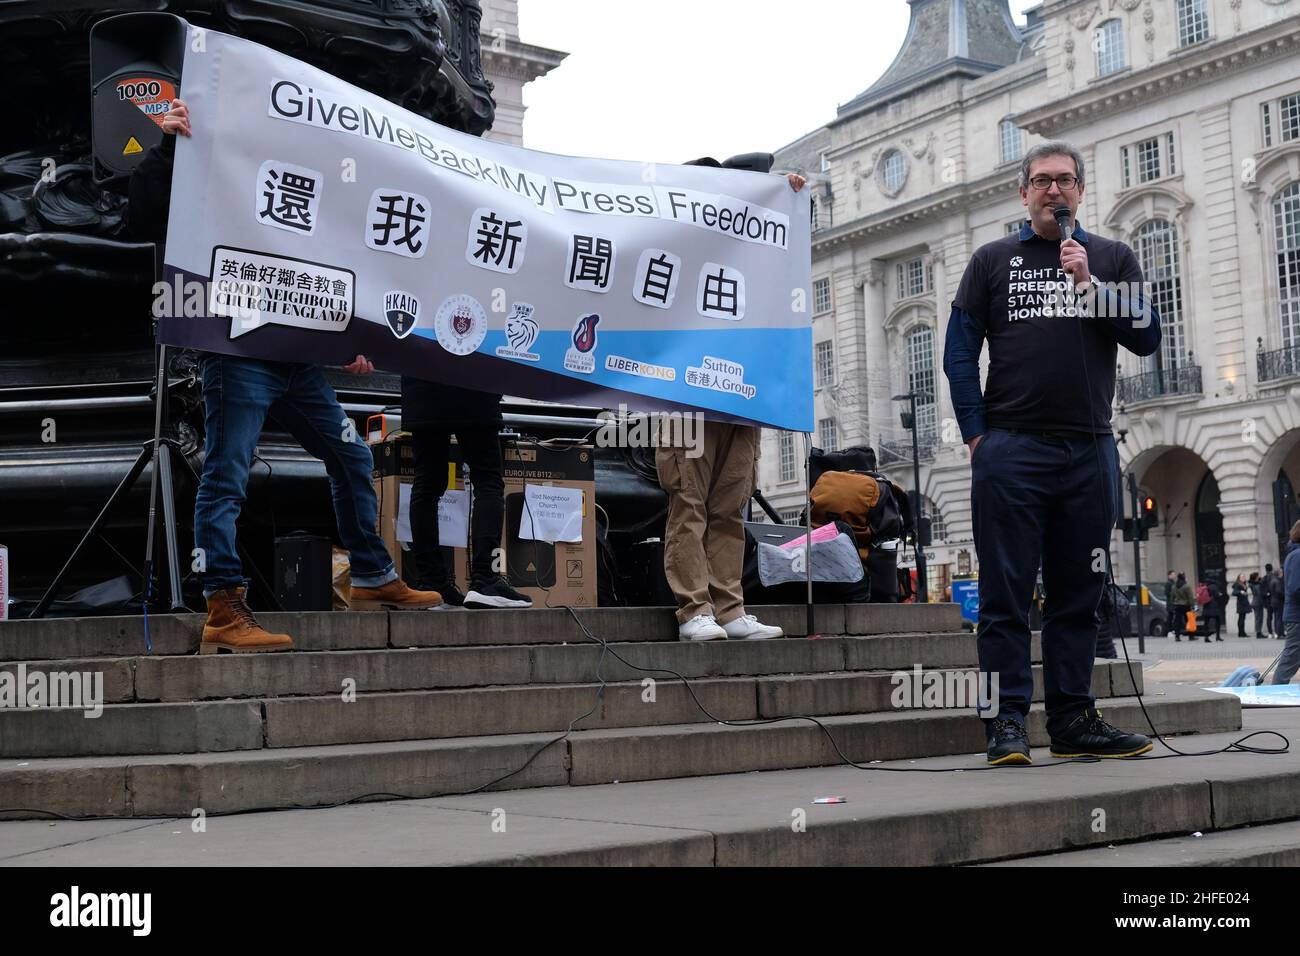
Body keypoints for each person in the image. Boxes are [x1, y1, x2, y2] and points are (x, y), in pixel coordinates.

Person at [129, 99, 442, 653]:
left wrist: (349, 340)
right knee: (226, 473)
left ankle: (370, 576)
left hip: (296, 362)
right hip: (235, 354)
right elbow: (143, 217)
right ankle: (223, 607)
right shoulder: (208, 166)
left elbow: (329, 267)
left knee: (351, 455)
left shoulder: (307, 189)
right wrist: (170, 145)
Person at [943, 141, 1160, 764]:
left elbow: (1146, 337)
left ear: (1081, 192)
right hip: (1011, 448)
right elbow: (960, 353)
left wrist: (1090, 285)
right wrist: (977, 434)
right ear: (1024, 193)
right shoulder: (991, 260)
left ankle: (1072, 718)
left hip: (1089, 449)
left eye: (1065, 180)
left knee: (1079, 592)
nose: (1053, 190)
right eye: (1041, 181)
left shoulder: (1112, 257)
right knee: (1005, 593)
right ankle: (1005, 723)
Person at [657, 157, 805, 642]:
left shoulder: (749, 245)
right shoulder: (666, 241)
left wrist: (787, 196)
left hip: (742, 395)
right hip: (686, 397)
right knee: (691, 504)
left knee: (729, 507)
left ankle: (729, 608)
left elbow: (787, 247)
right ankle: (693, 610)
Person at [401, 379, 531, 608]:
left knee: (426, 485)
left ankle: (432, 585)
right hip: (471, 380)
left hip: (422, 384)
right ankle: (485, 580)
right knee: (487, 480)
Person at [1275, 521, 1300, 684]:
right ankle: (1274, 692)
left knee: (1291, 657)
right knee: (1290, 659)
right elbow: (1295, 588)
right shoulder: (1297, 555)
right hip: (1297, 617)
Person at [1200, 578, 1223, 643]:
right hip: (1214, 606)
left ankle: (1206, 637)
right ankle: (1217, 636)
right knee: (1218, 621)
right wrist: (1220, 595)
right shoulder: (1214, 586)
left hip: (1206, 606)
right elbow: (1217, 595)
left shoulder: (1205, 587)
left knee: (1206, 622)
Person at [1268, 564, 1285, 639]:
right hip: (1278, 601)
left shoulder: (1272, 580)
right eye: (1281, 573)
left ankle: (1278, 632)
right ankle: (1279, 633)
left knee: (1276, 617)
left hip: (1273, 601)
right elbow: (1279, 592)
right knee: (1279, 618)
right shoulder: (1277, 581)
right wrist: (1285, 596)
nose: (1282, 574)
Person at [1232, 573, 1250, 638]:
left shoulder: (1244, 584)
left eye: (1244, 577)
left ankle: (1242, 632)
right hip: (1241, 603)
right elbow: (1234, 592)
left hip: (1244, 603)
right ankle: (1241, 633)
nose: (1243, 578)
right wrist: (1240, 592)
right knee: (1241, 618)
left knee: (1242, 618)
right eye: (1242, 577)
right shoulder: (1237, 584)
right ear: (1239, 578)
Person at [1250, 570, 1266, 638]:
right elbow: (1260, 595)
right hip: (1258, 603)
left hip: (1255, 602)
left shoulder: (1254, 584)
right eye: (1258, 576)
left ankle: (1258, 632)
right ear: (1256, 577)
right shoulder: (1257, 585)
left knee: (1258, 618)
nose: (1259, 577)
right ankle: (1258, 632)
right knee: (1259, 618)